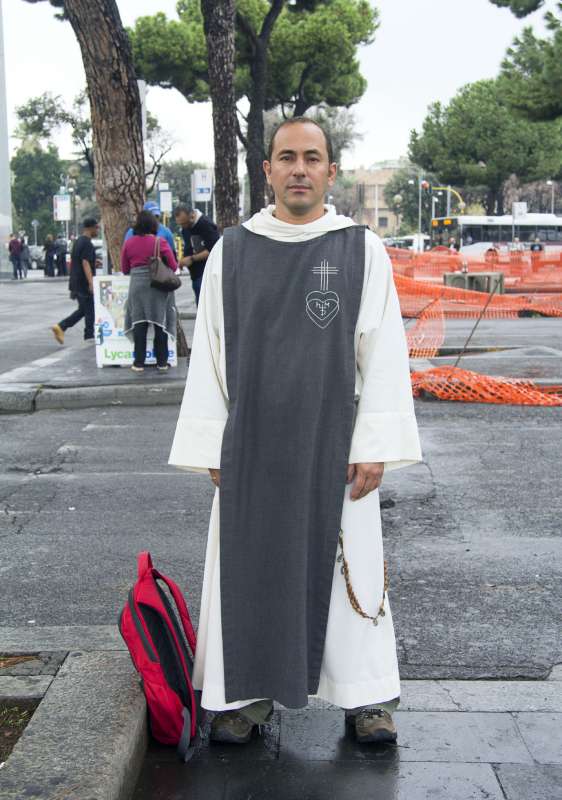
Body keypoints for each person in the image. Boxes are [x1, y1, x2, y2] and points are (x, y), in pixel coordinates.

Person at [169, 117, 422, 746]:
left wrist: (374, 446)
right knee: (250, 566)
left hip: (333, 440)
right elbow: (211, 352)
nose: (300, 169)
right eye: (287, 157)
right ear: (269, 171)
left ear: (331, 172)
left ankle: (366, 699)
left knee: (349, 569)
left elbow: (384, 351)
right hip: (252, 441)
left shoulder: (360, 249)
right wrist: (211, 443)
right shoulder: (233, 249)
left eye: (313, 158)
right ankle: (247, 697)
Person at [122, 210, 178, 373]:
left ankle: (138, 363)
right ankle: (161, 362)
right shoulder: (159, 242)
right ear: (153, 225)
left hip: (137, 288)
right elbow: (173, 266)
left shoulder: (129, 243)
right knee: (160, 324)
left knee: (139, 323)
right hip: (158, 286)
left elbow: (125, 269)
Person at [51, 218, 99, 345]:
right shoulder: (87, 243)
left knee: (84, 309)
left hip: (76, 281)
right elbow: (85, 262)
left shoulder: (78, 241)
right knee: (89, 310)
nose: (98, 230)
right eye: (97, 227)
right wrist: (91, 283)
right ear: (91, 228)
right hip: (83, 283)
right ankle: (89, 336)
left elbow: (81, 260)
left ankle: (62, 327)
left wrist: (95, 262)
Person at [174, 204, 220, 305]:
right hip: (195, 273)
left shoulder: (205, 224)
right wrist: (183, 261)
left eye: (185, 223)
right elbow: (189, 246)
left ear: (192, 216)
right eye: (180, 224)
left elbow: (214, 249)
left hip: (206, 272)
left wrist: (192, 258)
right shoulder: (186, 228)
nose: (183, 227)